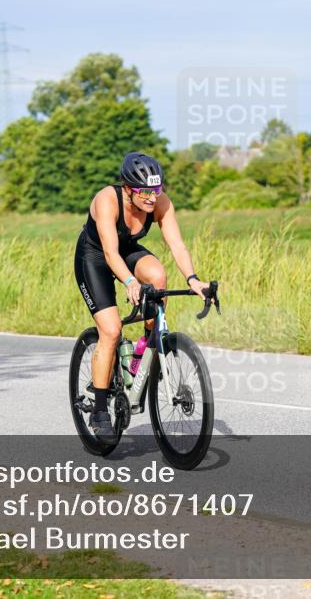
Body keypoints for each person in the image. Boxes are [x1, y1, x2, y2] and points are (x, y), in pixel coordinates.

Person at [74, 152, 209, 443]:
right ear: (127, 188)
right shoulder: (107, 200)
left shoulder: (160, 201)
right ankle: (99, 411)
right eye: (144, 192)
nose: (151, 198)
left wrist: (193, 279)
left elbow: (177, 244)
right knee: (111, 330)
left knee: (158, 276)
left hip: (128, 249)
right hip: (95, 256)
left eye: (156, 190)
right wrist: (130, 280)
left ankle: (143, 354)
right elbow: (110, 253)